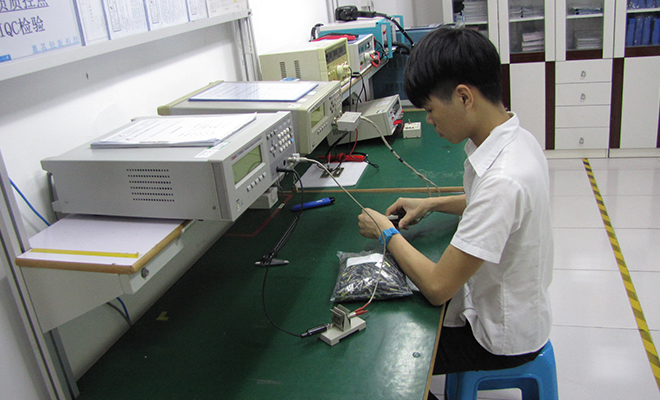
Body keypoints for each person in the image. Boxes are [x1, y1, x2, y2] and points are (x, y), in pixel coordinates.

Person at [357, 26, 553, 375]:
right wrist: (431, 204)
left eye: (431, 109)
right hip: (518, 310)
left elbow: (437, 287)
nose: (429, 120)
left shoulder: (503, 179)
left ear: (464, 97)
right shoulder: (517, 138)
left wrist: (386, 231)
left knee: (378, 359)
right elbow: (487, 205)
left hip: (497, 339)